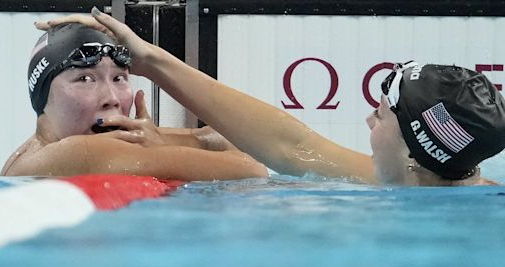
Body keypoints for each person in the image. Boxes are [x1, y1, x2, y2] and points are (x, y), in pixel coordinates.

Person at [34, 7, 505, 186]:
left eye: (381, 117)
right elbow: (290, 147)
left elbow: (260, 162)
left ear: (412, 154)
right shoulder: (433, 178)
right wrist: (152, 61)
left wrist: (171, 148)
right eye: (83, 78)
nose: (367, 123)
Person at [1, 23, 268, 180]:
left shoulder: (31, 153)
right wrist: (159, 146)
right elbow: (252, 168)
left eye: (119, 78)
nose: (112, 99)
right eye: (84, 79)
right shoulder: (76, 152)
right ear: (42, 95)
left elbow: (214, 137)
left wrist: (158, 141)